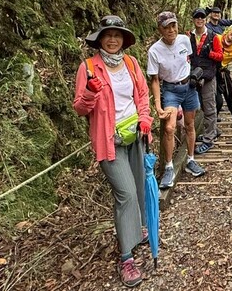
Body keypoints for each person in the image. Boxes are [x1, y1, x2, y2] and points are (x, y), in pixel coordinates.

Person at [73, 15, 153, 287]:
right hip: (109, 142)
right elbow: (80, 108)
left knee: (140, 188)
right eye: (107, 35)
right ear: (100, 38)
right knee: (126, 194)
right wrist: (90, 92)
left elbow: (142, 95)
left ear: (123, 40)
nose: (112, 39)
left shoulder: (130, 63)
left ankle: (139, 230)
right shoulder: (89, 68)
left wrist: (145, 118)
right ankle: (126, 257)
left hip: (136, 136)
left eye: (117, 35)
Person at [146, 11, 205, 188]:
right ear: (160, 29)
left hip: (189, 87)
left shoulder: (185, 40)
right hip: (170, 89)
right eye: (166, 27)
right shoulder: (154, 51)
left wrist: (194, 76)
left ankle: (191, 160)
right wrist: (157, 104)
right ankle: (169, 166)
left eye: (173, 25)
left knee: (190, 124)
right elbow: (155, 79)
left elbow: (190, 59)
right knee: (170, 127)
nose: (171, 30)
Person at [188, 8, 224, 155]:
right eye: (197, 17)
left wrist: (210, 53)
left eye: (202, 17)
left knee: (209, 107)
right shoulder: (188, 36)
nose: (200, 19)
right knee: (200, 106)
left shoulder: (213, 36)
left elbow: (221, 56)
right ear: (193, 19)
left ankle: (209, 139)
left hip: (208, 76)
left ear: (205, 19)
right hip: (193, 75)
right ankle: (211, 130)